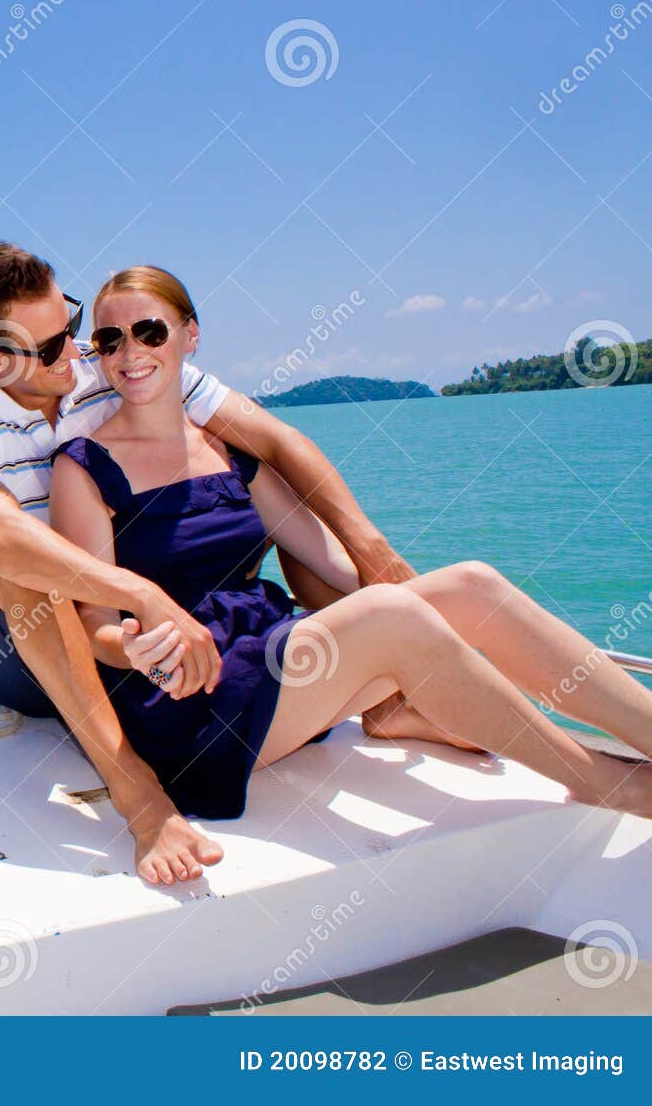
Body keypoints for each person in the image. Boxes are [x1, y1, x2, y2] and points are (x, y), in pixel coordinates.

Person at [49, 264, 652, 883]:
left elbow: (328, 561)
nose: (130, 353)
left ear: (190, 335)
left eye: (149, 331)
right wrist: (141, 648)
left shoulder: (228, 452)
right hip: (187, 703)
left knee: (471, 584)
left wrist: (428, 632)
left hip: (272, 659)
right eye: (109, 340)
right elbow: (92, 624)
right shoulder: (85, 468)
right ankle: (601, 781)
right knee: (391, 614)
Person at [0, 242, 412, 885]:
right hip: (24, 655)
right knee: (15, 567)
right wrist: (141, 593)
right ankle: (141, 799)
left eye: (70, 327)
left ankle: (398, 674)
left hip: (130, 629)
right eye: (49, 348)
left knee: (254, 480)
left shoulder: (114, 360)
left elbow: (271, 436)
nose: (75, 351)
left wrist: (375, 554)